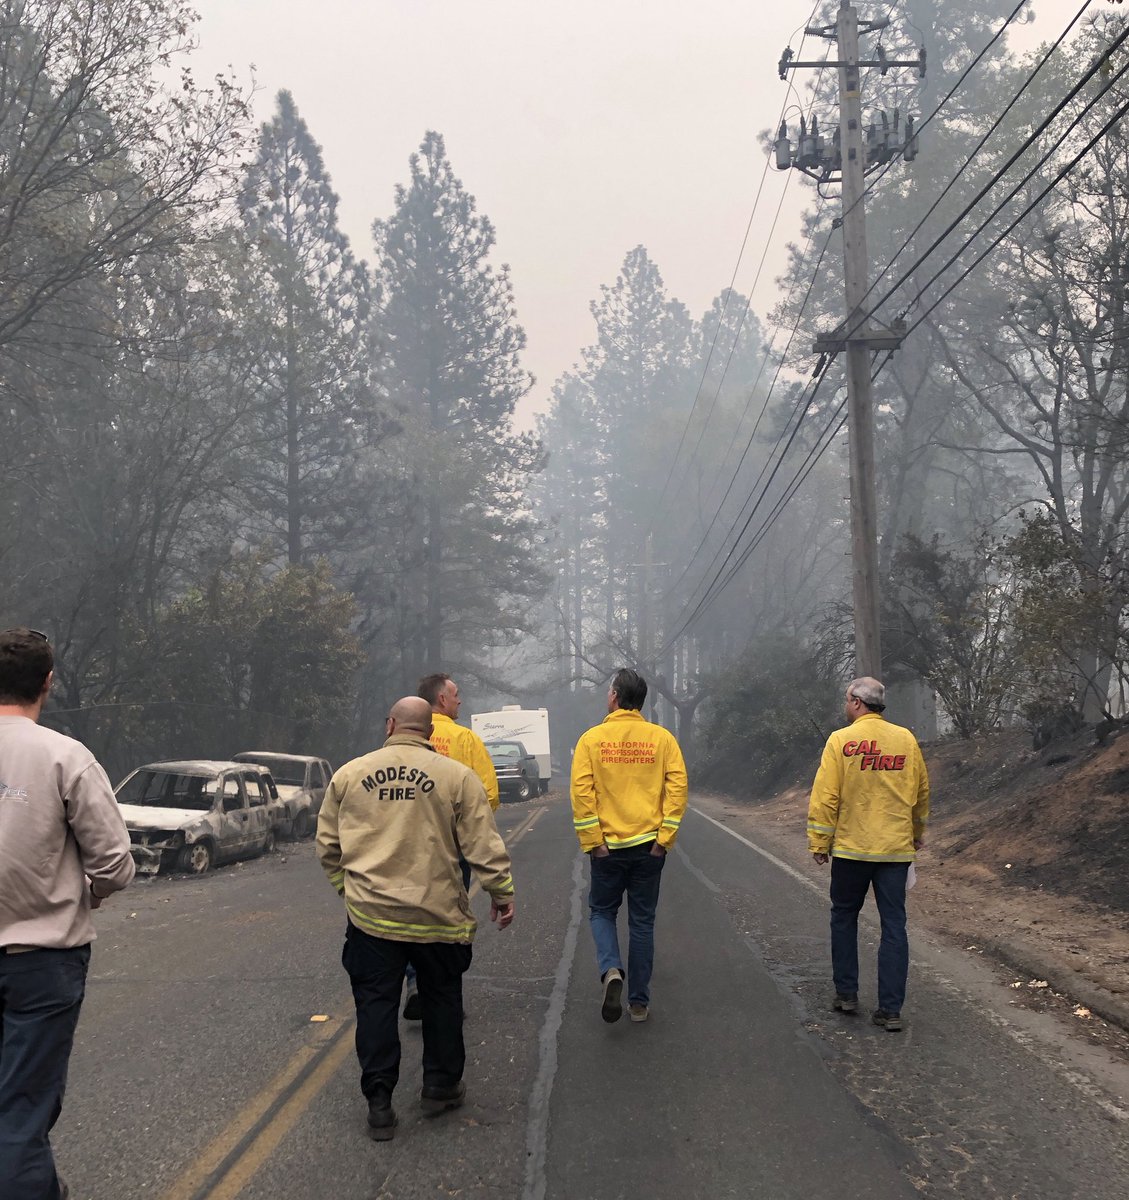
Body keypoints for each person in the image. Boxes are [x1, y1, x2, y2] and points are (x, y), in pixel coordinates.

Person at [316, 696, 515, 1141]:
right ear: (429, 731)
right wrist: (501, 893)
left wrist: (349, 893)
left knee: (377, 1004)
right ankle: (440, 1086)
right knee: (442, 998)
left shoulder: (349, 775)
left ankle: (380, 1102)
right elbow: (483, 844)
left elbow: (328, 846)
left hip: (373, 919)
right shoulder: (457, 777)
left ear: (390, 725)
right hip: (438, 916)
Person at [0, 628, 135, 1200]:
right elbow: (114, 862)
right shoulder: (64, 756)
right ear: (48, 683)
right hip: (41, 961)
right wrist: (90, 890)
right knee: (21, 1111)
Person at [807, 676, 930, 1033]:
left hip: (851, 851)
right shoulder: (905, 740)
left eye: (847, 699)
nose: (846, 704)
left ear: (857, 703)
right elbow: (921, 791)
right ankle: (890, 1010)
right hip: (894, 852)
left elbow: (826, 795)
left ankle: (846, 994)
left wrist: (819, 842)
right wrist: (917, 833)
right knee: (894, 925)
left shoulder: (841, 741)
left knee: (844, 917)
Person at [570, 668, 687, 1024]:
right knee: (641, 923)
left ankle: (610, 970)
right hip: (649, 848)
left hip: (607, 849)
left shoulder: (592, 740)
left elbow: (582, 793)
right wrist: (664, 839)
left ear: (615, 697)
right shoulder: (662, 739)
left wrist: (594, 841)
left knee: (602, 912)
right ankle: (638, 1003)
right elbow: (677, 789)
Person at [402, 674, 500, 1020]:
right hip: (453, 847)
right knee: (450, 916)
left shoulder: (402, 741)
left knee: (412, 911)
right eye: (456, 695)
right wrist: (468, 830)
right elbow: (489, 795)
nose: (460, 700)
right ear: (441, 700)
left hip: (408, 845)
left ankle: (415, 982)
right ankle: (444, 994)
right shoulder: (466, 740)